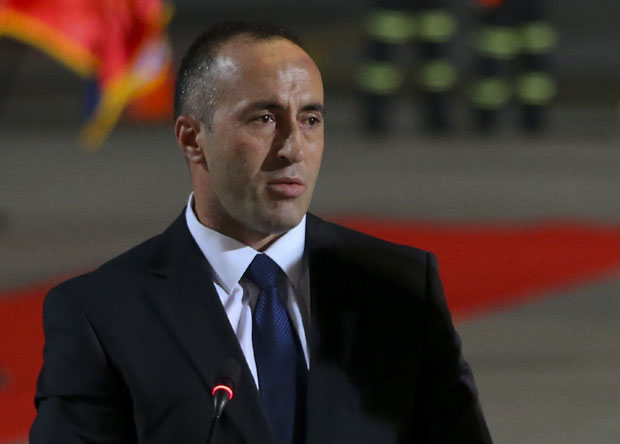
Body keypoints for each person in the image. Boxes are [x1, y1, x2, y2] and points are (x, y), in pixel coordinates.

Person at [30, 21, 492, 444]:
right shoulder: (102, 315)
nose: (293, 148)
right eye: (264, 119)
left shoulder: (400, 289)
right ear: (192, 139)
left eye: (310, 120)